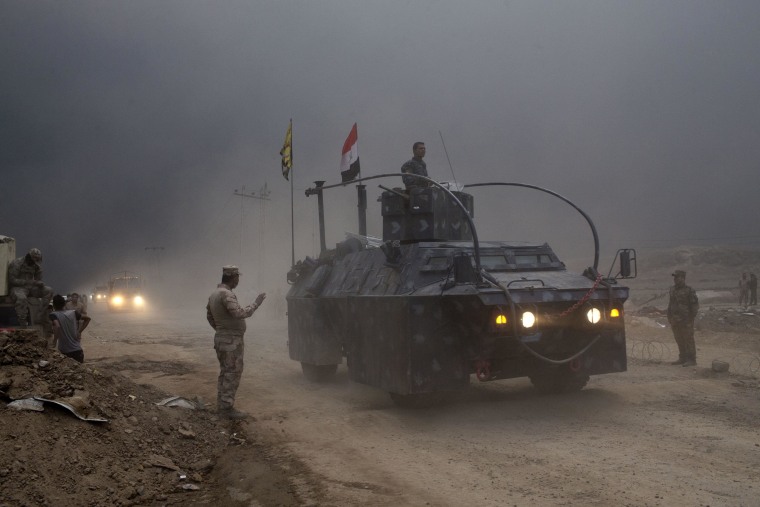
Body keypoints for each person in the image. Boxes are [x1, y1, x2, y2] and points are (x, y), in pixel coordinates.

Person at [206, 265, 266, 420]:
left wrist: (221, 330)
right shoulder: (226, 295)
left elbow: (210, 316)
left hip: (222, 339)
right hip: (231, 341)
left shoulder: (214, 294)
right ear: (233, 277)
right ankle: (226, 409)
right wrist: (256, 303)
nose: (238, 280)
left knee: (225, 372)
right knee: (232, 373)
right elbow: (239, 313)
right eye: (237, 277)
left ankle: (222, 405)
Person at [7, 248, 53, 326]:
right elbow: (12, 280)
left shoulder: (36, 265)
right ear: (29, 257)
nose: (35, 261)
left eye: (37, 259)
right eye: (34, 258)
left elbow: (38, 277)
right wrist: (26, 282)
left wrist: (39, 283)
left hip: (31, 288)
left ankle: (40, 316)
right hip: (18, 288)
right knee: (21, 298)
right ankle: (23, 321)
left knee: (49, 290)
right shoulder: (17, 263)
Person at [667, 270, 699, 367]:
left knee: (688, 339)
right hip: (675, 319)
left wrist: (690, 318)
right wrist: (669, 316)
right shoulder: (672, 290)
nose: (675, 279)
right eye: (674, 277)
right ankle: (682, 357)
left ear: (683, 278)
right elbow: (670, 304)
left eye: (677, 277)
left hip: (686, 320)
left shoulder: (689, 290)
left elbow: (694, 306)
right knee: (679, 339)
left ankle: (692, 359)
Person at [49, 294, 91, 363]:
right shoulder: (73, 313)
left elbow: (57, 326)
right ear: (64, 304)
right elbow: (88, 319)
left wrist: (54, 341)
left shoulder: (53, 315)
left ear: (54, 305)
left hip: (65, 352)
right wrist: (79, 331)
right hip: (78, 351)